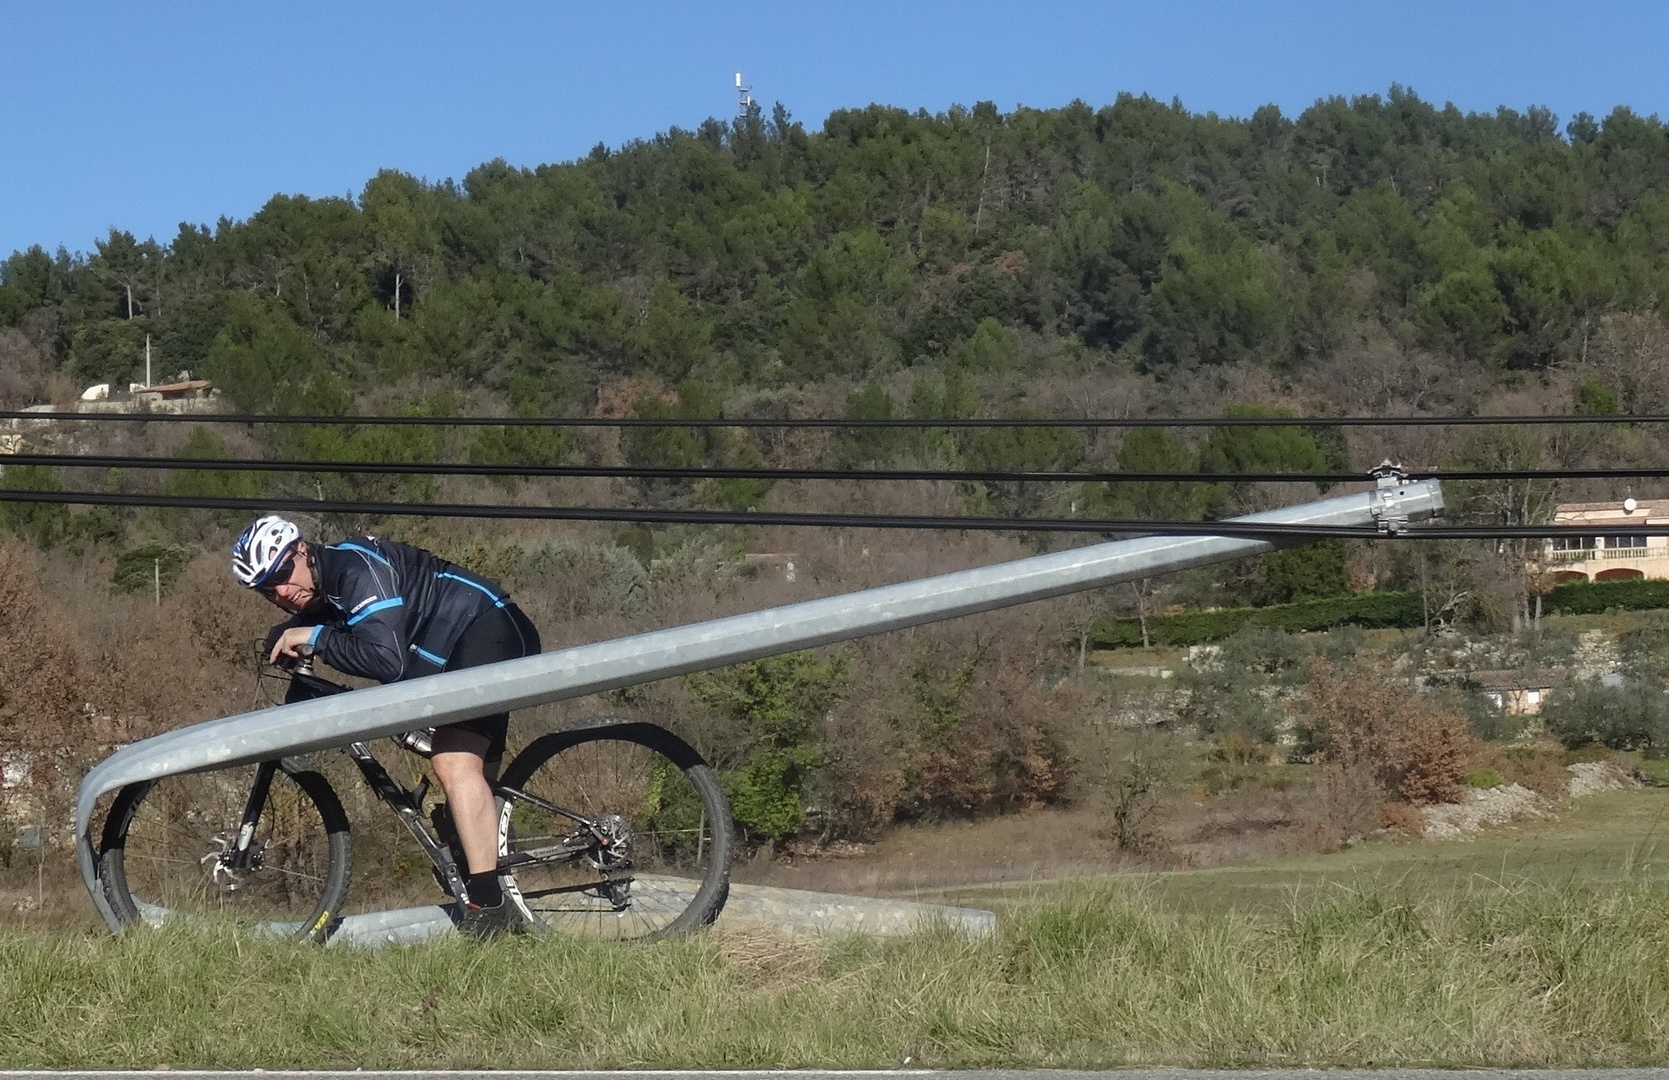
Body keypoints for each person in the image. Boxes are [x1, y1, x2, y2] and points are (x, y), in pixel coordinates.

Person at [231, 514, 541, 938]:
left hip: (487, 627)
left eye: (283, 573)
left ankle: (489, 909)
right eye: (267, 589)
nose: (281, 591)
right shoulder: (319, 586)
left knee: (453, 763)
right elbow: (325, 619)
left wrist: (315, 638)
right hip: (452, 647)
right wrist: (286, 633)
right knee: (465, 791)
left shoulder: (355, 570)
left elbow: (386, 660)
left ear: (303, 550)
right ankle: (493, 886)